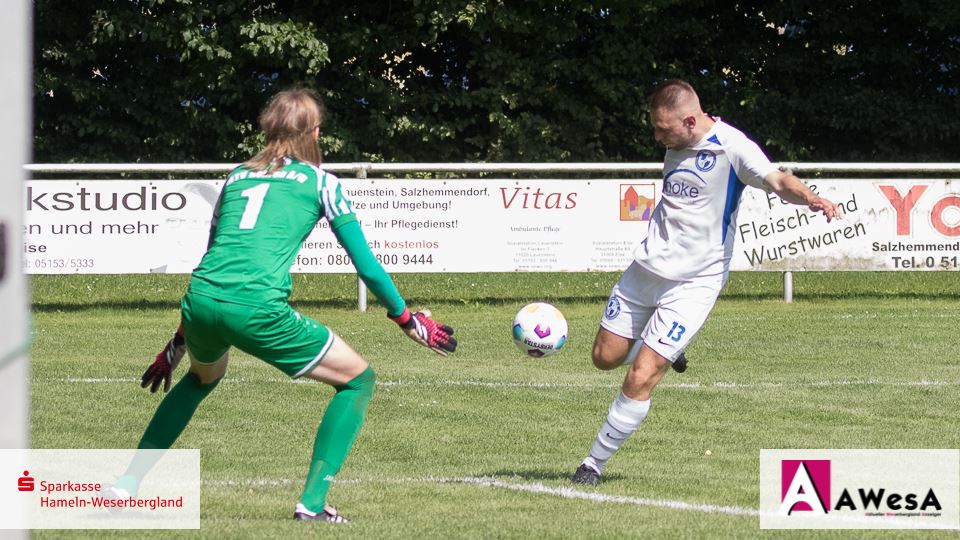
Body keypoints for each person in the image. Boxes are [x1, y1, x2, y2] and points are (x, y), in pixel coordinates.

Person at [112, 87, 457, 523]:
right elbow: (366, 267)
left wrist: (178, 341)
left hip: (201, 300)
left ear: (267, 128)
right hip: (256, 308)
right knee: (358, 381)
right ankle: (312, 505)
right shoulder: (322, 183)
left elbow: (216, 257)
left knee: (201, 379)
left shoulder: (237, 177)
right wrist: (407, 319)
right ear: (315, 131)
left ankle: (126, 484)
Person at [571, 79, 840, 486]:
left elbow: (778, 180)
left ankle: (592, 464)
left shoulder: (733, 147)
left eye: (663, 129)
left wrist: (812, 197)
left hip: (694, 283)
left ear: (691, 120)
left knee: (641, 376)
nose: (656, 136)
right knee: (604, 357)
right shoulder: (676, 143)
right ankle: (661, 346)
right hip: (645, 272)